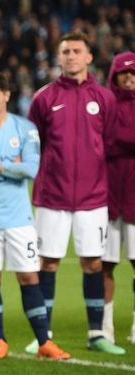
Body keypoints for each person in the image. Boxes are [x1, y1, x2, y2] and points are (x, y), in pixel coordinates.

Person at [0, 71, 71, 360]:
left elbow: (31, 169)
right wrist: (12, 165)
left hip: (20, 218)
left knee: (29, 276)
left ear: (7, 95)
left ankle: (44, 342)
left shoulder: (25, 128)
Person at [27, 32, 123, 355]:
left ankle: (97, 333)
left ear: (89, 57)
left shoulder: (105, 98)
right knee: (48, 263)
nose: (70, 56)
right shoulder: (43, 98)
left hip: (93, 197)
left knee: (93, 262)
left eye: (76, 51)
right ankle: (44, 334)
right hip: (52, 197)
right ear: (59, 57)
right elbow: (33, 143)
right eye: (65, 51)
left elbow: (108, 144)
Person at [102, 51, 135, 345]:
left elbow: (115, 140)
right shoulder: (106, 104)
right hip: (109, 198)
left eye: (133, 73)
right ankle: (106, 326)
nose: (128, 78)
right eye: (123, 73)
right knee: (106, 264)